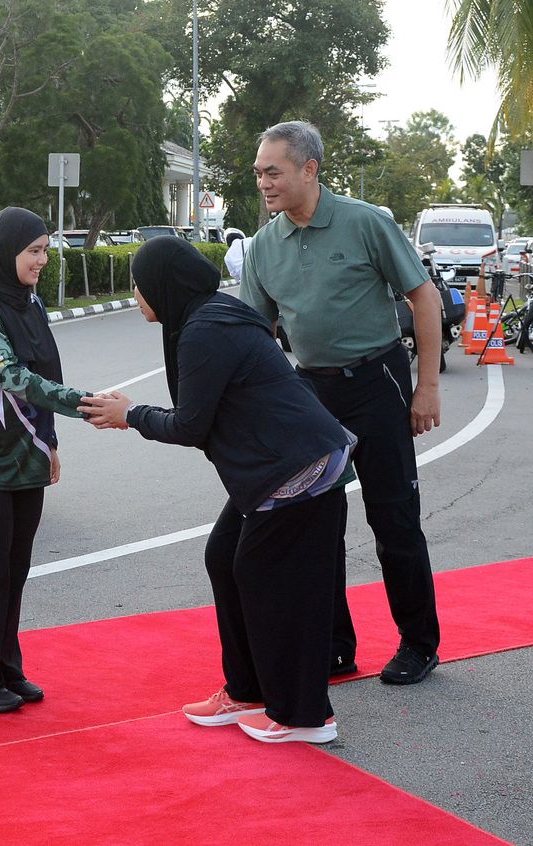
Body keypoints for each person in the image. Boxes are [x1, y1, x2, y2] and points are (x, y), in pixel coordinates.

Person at [81, 235, 354, 743]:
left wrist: (130, 415)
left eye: (140, 286)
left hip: (299, 466)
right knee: (225, 556)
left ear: (165, 285)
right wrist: (133, 413)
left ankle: (304, 715)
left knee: (263, 574)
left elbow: (191, 426)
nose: (138, 294)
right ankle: (248, 690)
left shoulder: (204, 329)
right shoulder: (204, 318)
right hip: (274, 465)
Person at [240, 120, 442, 685]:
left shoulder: (366, 223)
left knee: (394, 518)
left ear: (310, 169)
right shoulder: (262, 247)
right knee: (314, 523)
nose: (263, 182)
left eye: (272, 171)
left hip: (378, 381)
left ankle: (419, 643)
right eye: (258, 173)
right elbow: (256, 333)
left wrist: (427, 386)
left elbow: (422, 296)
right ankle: (334, 647)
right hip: (311, 392)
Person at [0, 206, 90, 714]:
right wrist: (83, 404)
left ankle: (6, 667)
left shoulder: (30, 304)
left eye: (46, 250)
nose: (42, 260)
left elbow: (46, 367)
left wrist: (50, 442)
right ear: (7, 252)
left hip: (23, 452)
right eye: (34, 251)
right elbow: (13, 378)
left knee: (17, 566)